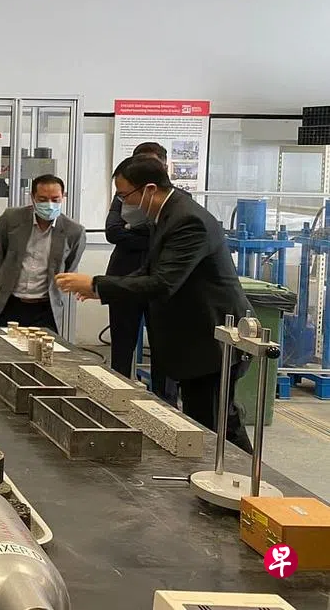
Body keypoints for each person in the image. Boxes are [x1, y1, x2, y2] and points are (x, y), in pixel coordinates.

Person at [57, 157, 254, 452]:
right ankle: (244, 476)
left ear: (149, 189)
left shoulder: (188, 221)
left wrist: (97, 284)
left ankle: (246, 478)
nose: (123, 204)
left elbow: (163, 283)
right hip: (195, 341)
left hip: (210, 341)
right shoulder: (166, 217)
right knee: (213, 422)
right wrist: (100, 289)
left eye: (124, 196)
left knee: (214, 427)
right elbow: (148, 271)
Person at [0, 174, 86, 333]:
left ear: (63, 197)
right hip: (9, 303)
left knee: (42, 347)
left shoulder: (74, 231)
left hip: (46, 308)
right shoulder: (11, 219)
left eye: (55, 199)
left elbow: (69, 268)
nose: (49, 204)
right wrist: (5, 277)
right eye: (42, 199)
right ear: (33, 198)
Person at [105, 142, 169, 379]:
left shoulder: (179, 203)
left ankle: (163, 397)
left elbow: (164, 237)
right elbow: (113, 231)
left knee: (163, 347)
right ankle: (116, 389)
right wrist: (150, 236)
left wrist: (133, 230)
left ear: (164, 167)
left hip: (159, 281)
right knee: (122, 346)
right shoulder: (124, 196)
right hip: (124, 273)